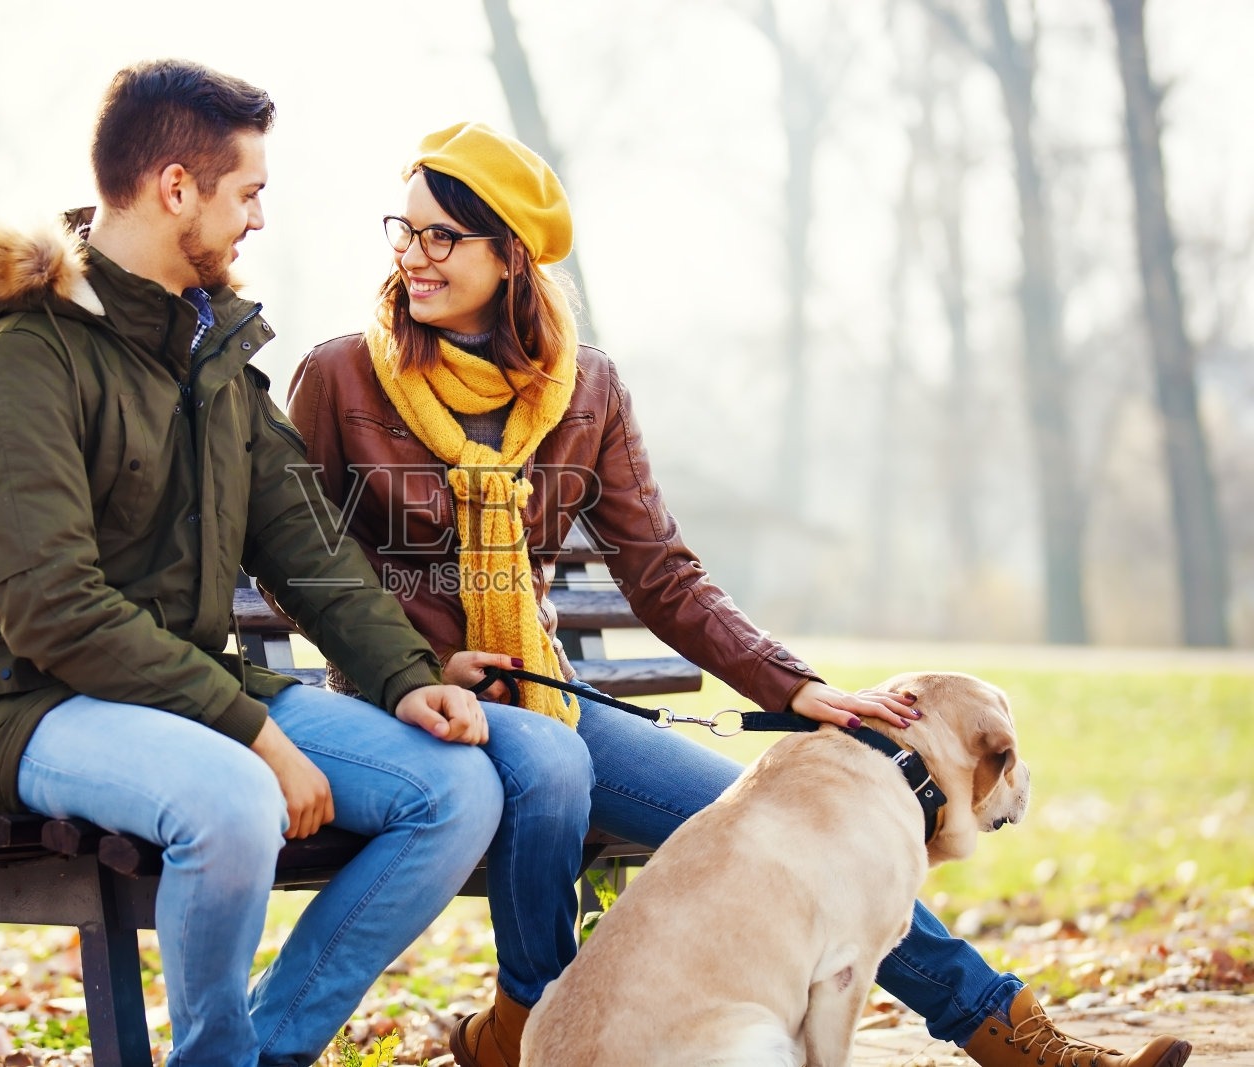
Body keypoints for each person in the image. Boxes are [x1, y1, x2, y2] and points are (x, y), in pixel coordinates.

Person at [285, 122, 1194, 1067]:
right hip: (407, 708)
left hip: (542, 694)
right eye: (406, 230)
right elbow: (296, 560)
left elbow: (661, 569)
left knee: (792, 833)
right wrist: (421, 664)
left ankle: (1007, 1031)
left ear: (511, 254)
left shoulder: (584, 388)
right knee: (551, 769)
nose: (413, 258)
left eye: (442, 237)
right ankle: (538, 1022)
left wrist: (791, 687)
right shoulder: (344, 373)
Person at [0, 63, 523, 1067]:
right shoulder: (23, 357)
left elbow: (309, 548)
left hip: (183, 694)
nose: (254, 220)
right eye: (247, 193)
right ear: (174, 189)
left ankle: (262, 1050)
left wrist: (406, 679)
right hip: (22, 704)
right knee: (237, 798)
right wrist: (246, 727)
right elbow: (50, 610)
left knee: (456, 789)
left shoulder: (213, 358)